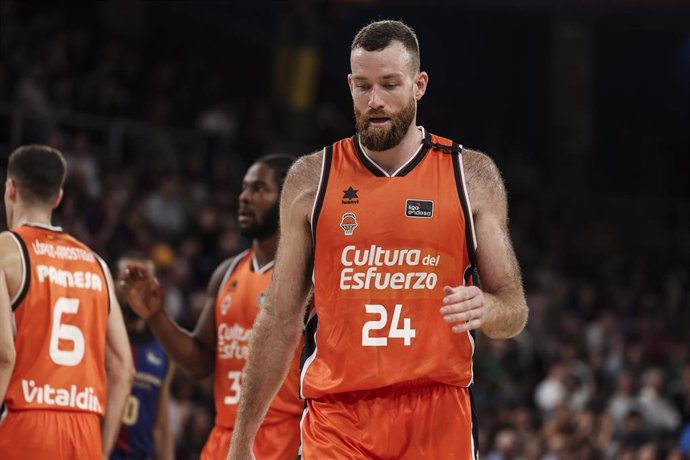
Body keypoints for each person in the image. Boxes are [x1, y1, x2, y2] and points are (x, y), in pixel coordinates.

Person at [228, 20, 529, 460]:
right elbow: (278, 318)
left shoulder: (472, 176)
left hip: (437, 411)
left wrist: (488, 307)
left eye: (389, 85)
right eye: (363, 86)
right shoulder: (311, 178)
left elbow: (514, 310)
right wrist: (240, 443)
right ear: (349, 85)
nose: (375, 101)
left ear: (419, 85)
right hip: (338, 416)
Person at [119, 155, 302, 459]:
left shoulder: (307, 275)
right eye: (244, 189)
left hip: (281, 438)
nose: (244, 197)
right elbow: (200, 363)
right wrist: (156, 316)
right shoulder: (227, 272)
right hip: (223, 438)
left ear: (287, 199)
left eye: (259, 189)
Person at [0, 144, 134, 459]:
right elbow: (124, 368)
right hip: (84, 430)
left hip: (25, 423)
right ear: (58, 197)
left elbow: (4, 354)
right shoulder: (97, 263)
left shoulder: (6, 251)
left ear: (10, 188)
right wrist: (100, 451)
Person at [111, 254, 174, 460]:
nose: (135, 290)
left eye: (143, 281)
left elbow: (161, 429)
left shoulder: (163, 350)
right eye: (128, 280)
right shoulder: (99, 338)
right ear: (112, 285)